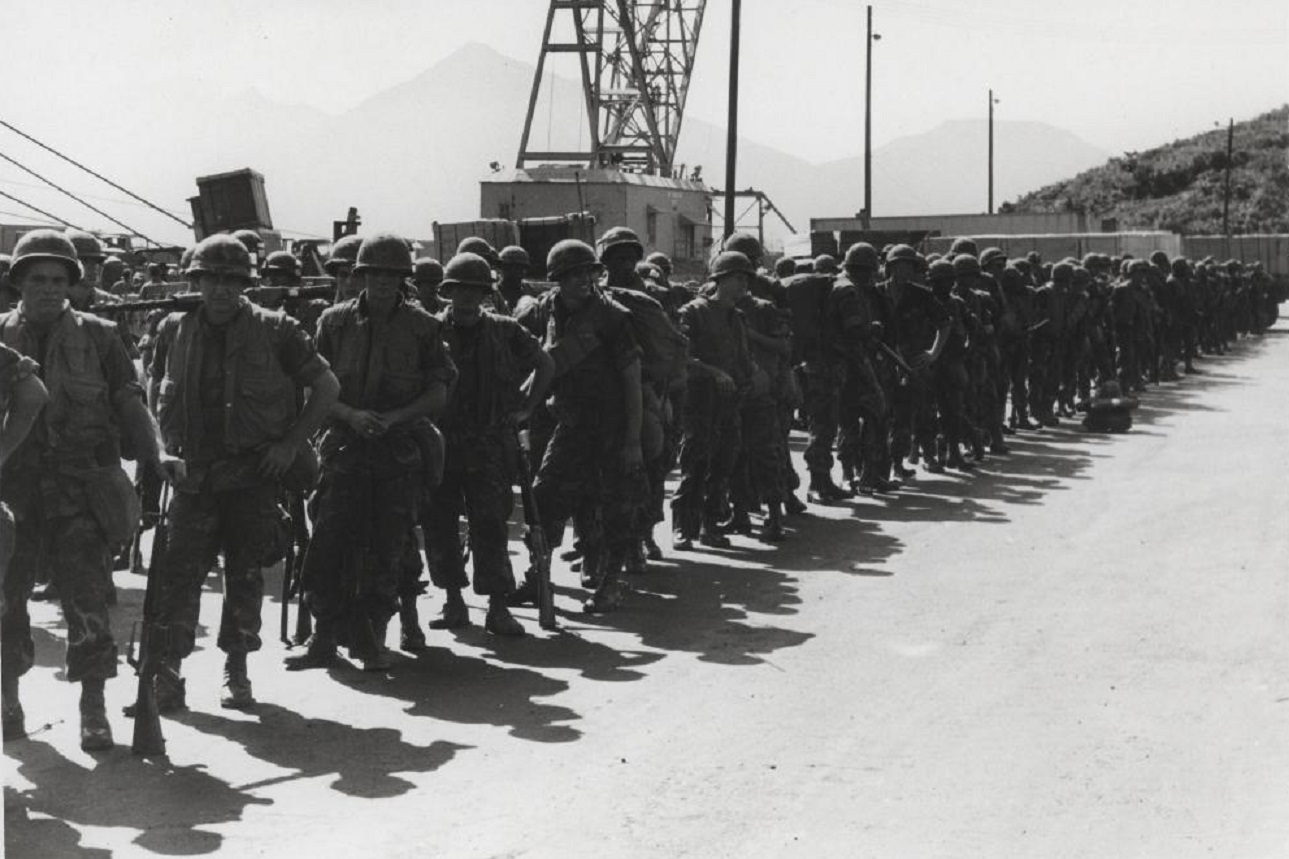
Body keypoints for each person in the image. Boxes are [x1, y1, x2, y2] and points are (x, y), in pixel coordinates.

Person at [147, 234, 339, 709]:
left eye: (233, 280)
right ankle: (168, 670)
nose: (221, 289)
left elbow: (327, 386)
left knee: (245, 576)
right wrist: (160, 448)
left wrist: (290, 444)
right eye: (211, 278)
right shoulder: (173, 328)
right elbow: (151, 387)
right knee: (179, 576)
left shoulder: (276, 330)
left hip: (252, 476)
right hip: (192, 477)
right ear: (196, 281)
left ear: (247, 285)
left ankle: (237, 669)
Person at [1, 229, 176, 750]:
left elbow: (129, 402)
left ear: (73, 285)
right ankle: (8, 699)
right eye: (38, 280)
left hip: (80, 490)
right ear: (19, 284)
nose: (50, 289)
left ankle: (93, 708)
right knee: (7, 604)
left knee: (88, 605)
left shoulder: (100, 337)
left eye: (59, 280)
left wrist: (157, 454)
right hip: (12, 494)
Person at [288, 234, 455, 671]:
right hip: (343, 445)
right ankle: (322, 638)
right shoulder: (333, 321)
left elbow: (438, 391)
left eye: (392, 275)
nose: (382, 282)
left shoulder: (424, 327)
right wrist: (349, 414)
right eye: (374, 273)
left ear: (403, 279)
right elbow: (313, 383)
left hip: (398, 451)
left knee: (388, 545)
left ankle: (373, 637)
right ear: (361, 276)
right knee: (328, 542)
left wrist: (396, 418)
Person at [422, 252, 554, 635]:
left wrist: (526, 408)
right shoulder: (428, 330)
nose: (466, 297)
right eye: (459, 289)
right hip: (442, 443)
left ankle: (498, 606)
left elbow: (545, 365)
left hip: (491, 444)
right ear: (448, 292)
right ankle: (453, 601)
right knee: (439, 523)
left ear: (485, 294)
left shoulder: (505, 329)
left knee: (491, 524)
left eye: (475, 290)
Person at [512, 239, 644, 613]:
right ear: (558, 279)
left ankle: (611, 581)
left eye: (589, 272)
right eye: (574, 274)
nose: (584, 280)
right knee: (544, 500)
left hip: (612, 424)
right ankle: (538, 577)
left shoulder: (612, 317)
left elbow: (633, 380)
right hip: (569, 423)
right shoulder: (545, 310)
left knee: (616, 505)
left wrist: (633, 440)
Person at [672, 251, 760, 548]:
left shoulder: (737, 317)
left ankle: (710, 525)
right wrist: (713, 373)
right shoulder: (693, 312)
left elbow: (743, 358)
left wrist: (750, 376)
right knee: (695, 465)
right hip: (699, 402)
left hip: (729, 404)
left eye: (746, 279)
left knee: (722, 466)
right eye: (738, 278)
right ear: (720, 279)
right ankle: (684, 526)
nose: (743, 285)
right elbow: (680, 358)